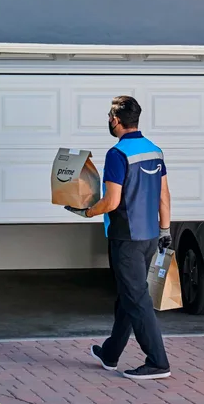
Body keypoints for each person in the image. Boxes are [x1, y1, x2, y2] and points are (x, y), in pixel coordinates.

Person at [67, 95, 172, 380]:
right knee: (129, 295)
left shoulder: (117, 154)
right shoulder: (154, 151)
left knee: (137, 298)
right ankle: (110, 354)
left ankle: (158, 362)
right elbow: (164, 195)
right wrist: (165, 231)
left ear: (115, 120)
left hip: (126, 239)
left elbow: (111, 202)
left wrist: (87, 212)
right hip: (150, 236)